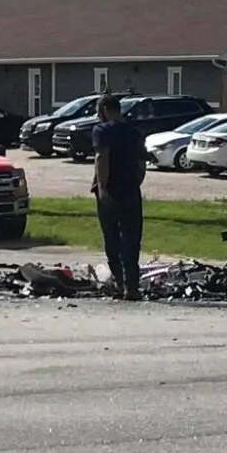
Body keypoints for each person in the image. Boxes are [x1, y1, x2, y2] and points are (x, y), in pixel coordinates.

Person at [91, 93, 147, 301]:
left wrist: (103, 188)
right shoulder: (134, 132)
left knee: (112, 238)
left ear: (104, 110)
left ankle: (118, 283)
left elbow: (101, 158)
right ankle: (132, 287)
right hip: (131, 191)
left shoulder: (101, 130)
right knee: (132, 240)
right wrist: (134, 184)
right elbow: (142, 165)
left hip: (110, 191)